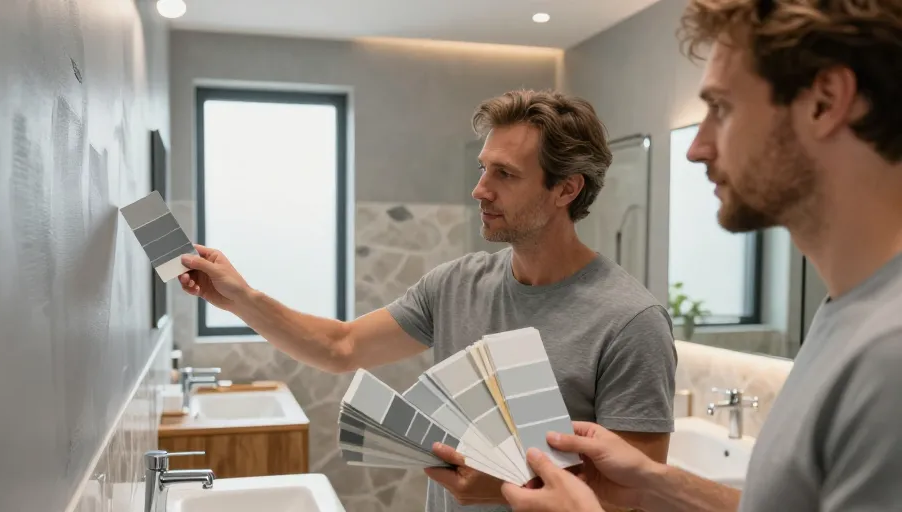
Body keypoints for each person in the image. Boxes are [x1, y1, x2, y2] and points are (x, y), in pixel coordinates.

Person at [177, 89, 678, 512]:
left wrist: (505, 487)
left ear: (566, 189)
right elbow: (340, 346)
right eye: (483, 169)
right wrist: (240, 299)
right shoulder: (456, 284)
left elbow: (640, 496)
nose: (479, 189)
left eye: (505, 174)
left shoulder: (630, 321)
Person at [499, 1, 902, 511]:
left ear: (824, 102)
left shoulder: (889, 356)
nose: (697, 148)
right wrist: (656, 481)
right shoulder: (847, 316)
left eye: (721, 108)